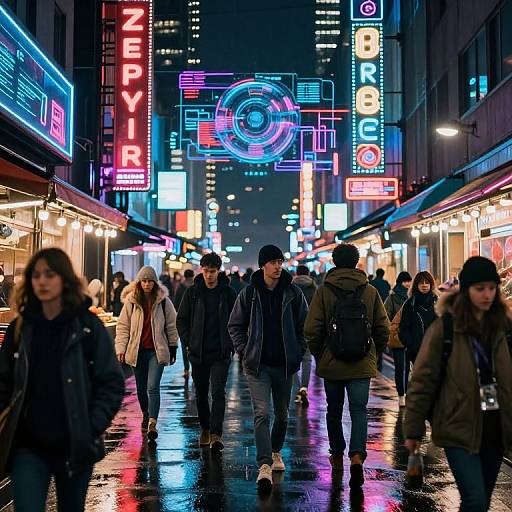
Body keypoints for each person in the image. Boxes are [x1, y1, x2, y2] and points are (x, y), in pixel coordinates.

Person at [0, 248, 124, 512]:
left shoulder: (87, 326)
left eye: (50, 274)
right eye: (35, 275)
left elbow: (111, 382)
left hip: (74, 443)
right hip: (27, 445)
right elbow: (3, 381)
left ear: (65, 279)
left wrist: (91, 425)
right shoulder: (20, 328)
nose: (41, 281)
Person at [404, 256, 512, 512]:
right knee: (474, 500)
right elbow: (423, 380)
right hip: (457, 425)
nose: (487, 295)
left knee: (482, 500)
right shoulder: (447, 328)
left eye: (491, 288)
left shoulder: (504, 326)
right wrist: (413, 429)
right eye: (479, 289)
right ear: (466, 291)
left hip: (496, 426)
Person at [304, 243, 389, 487]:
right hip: (361, 363)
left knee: (334, 410)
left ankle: (338, 455)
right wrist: (373, 351)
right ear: (356, 262)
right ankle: (357, 457)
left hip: (332, 362)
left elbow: (312, 329)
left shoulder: (324, 291)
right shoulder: (370, 291)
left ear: (334, 262)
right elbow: (383, 328)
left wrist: (321, 353)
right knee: (359, 410)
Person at [228, 245, 308, 491]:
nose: (277, 266)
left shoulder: (293, 293)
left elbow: (305, 326)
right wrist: (244, 350)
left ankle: (275, 452)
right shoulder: (250, 293)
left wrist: (298, 351)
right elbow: (235, 325)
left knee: (282, 415)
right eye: (273, 262)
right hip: (258, 366)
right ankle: (264, 465)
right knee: (262, 413)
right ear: (263, 265)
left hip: (284, 366)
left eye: (280, 261)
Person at [176, 253, 237, 451]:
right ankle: (205, 427)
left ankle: (216, 433)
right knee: (201, 393)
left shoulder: (227, 293)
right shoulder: (193, 293)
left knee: (218, 392)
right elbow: (181, 319)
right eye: (206, 271)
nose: (209, 275)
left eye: (213, 271)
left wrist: (232, 344)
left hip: (220, 352)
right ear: (201, 270)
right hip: (198, 352)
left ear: (218, 271)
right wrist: (188, 341)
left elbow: (237, 320)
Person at [115, 265, 179, 441]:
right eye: (143, 281)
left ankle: (152, 422)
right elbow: (123, 327)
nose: (147, 284)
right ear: (139, 282)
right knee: (141, 389)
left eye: (150, 281)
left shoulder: (164, 301)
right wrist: (121, 348)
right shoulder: (131, 301)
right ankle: (145, 413)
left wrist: (173, 347)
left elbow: (172, 326)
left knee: (152, 387)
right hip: (137, 351)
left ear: (155, 282)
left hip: (156, 352)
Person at [384, 271, 413, 407]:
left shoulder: (413, 297)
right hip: (397, 337)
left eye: (409, 281)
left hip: (411, 337)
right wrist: (393, 331)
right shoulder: (392, 298)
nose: (407, 284)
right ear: (400, 282)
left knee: (409, 367)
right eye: (405, 281)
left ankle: (408, 392)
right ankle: (401, 394)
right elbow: (386, 315)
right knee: (400, 367)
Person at [399, 271, 438, 364]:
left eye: (427, 282)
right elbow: (403, 328)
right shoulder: (410, 304)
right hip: (416, 353)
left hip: (436, 352)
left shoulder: (438, 303)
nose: (424, 285)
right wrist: (412, 346)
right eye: (421, 283)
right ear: (416, 285)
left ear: (431, 284)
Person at [293, 265, 317, 405]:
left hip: (293, 326)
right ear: (308, 273)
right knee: (307, 358)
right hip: (309, 325)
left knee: (292, 358)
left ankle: (297, 389)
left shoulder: (290, 287)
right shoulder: (314, 287)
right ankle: (304, 387)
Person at [173, 269, 195, 378]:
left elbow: (175, 303)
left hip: (184, 322)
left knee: (184, 345)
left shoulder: (181, 288)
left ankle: (186, 369)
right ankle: (195, 367)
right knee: (195, 346)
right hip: (195, 322)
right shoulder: (197, 287)